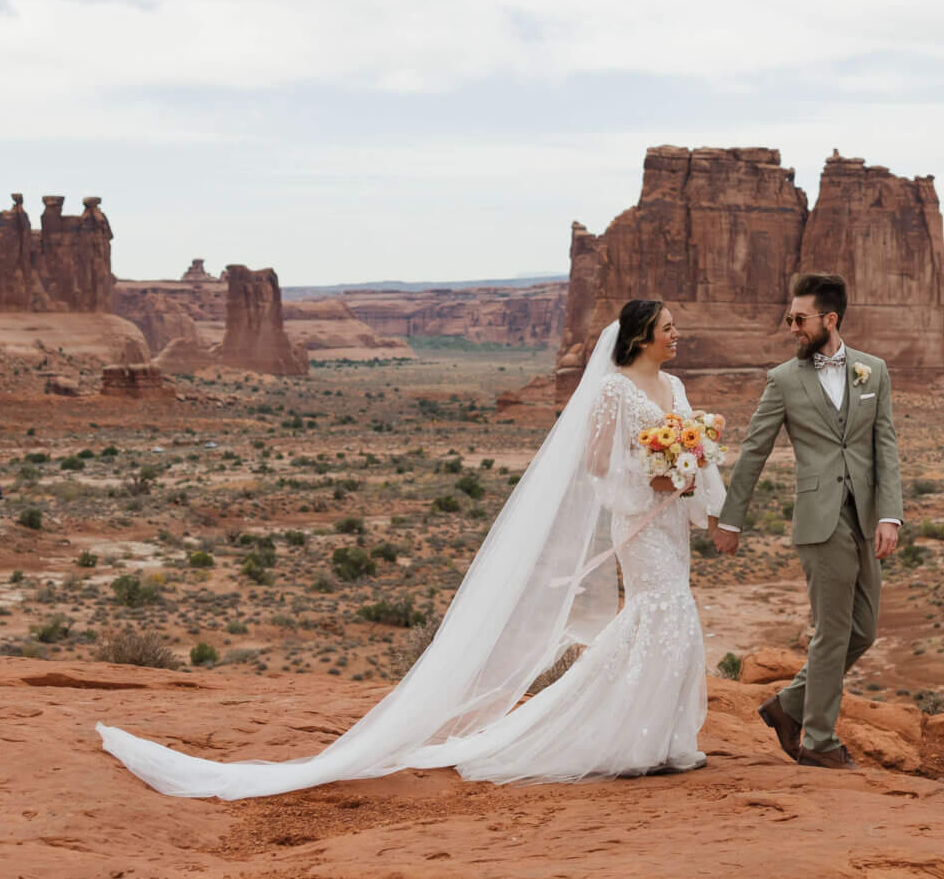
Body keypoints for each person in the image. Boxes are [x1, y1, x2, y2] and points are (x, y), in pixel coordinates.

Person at [96, 300, 725, 797]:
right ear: (642, 334)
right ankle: (633, 741)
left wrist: (692, 475)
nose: (678, 336)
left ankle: (662, 740)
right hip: (639, 520)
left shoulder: (675, 385)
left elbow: (692, 446)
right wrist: (651, 475)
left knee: (668, 614)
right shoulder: (613, 389)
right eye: (669, 328)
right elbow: (594, 464)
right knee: (664, 612)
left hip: (670, 520)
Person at [711, 271, 903, 770]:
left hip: (865, 518)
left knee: (863, 632)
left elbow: (885, 446)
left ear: (829, 319)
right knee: (833, 631)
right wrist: (731, 520)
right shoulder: (783, 380)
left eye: (800, 319)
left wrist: (890, 515)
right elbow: (754, 450)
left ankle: (788, 705)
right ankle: (818, 741)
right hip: (819, 520)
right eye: (789, 318)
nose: (791, 326)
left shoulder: (872, 371)